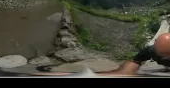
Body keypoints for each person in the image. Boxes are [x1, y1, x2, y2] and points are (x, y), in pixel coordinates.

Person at [31, 33, 170, 76]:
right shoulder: (151, 50)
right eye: (160, 54)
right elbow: (134, 62)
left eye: (166, 55)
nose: (161, 56)